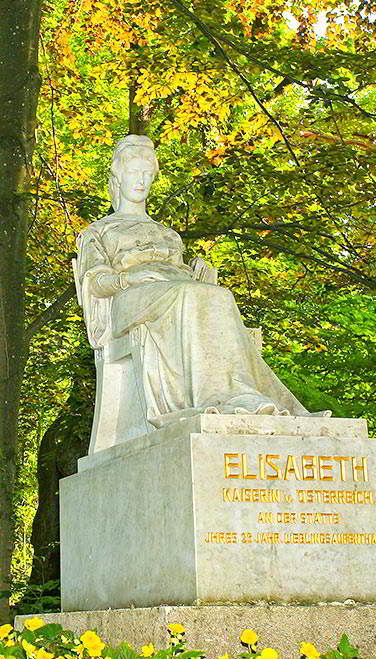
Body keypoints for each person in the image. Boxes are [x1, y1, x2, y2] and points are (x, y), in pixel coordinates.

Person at [74, 135, 326, 451]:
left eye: (146, 174)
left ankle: (240, 393)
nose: (140, 180)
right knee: (188, 296)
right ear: (117, 177)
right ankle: (215, 396)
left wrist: (197, 275)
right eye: (132, 172)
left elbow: (180, 279)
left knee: (219, 296)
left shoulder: (168, 234)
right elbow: (95, 282)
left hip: (176, 294)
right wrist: (130, 276)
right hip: (129, 299)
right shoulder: (99, 231)